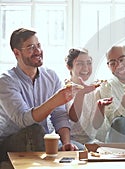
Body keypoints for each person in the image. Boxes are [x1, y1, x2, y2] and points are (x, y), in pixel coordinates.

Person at [0, 28, 79, 166]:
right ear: (16, 52)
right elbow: (23, 120)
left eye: (38, 45)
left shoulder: (51, 76)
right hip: (11, 142)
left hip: (41, 140)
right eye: (31, 47)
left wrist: (66, 144)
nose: (38, 51)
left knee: (80, 151)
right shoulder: (6, 81)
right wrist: (55, 100)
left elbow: (59, 115)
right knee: (34, 130)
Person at [65, 47, 112, 148]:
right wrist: (80, 94)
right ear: (69, 67)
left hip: (89, 141)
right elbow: (74, 118)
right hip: (69, 141)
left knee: (107, 152)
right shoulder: (65, 89)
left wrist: (100, 106)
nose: (86, 68)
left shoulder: (93, 90)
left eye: (89, 63)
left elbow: (96, 125)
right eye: (80, 63)